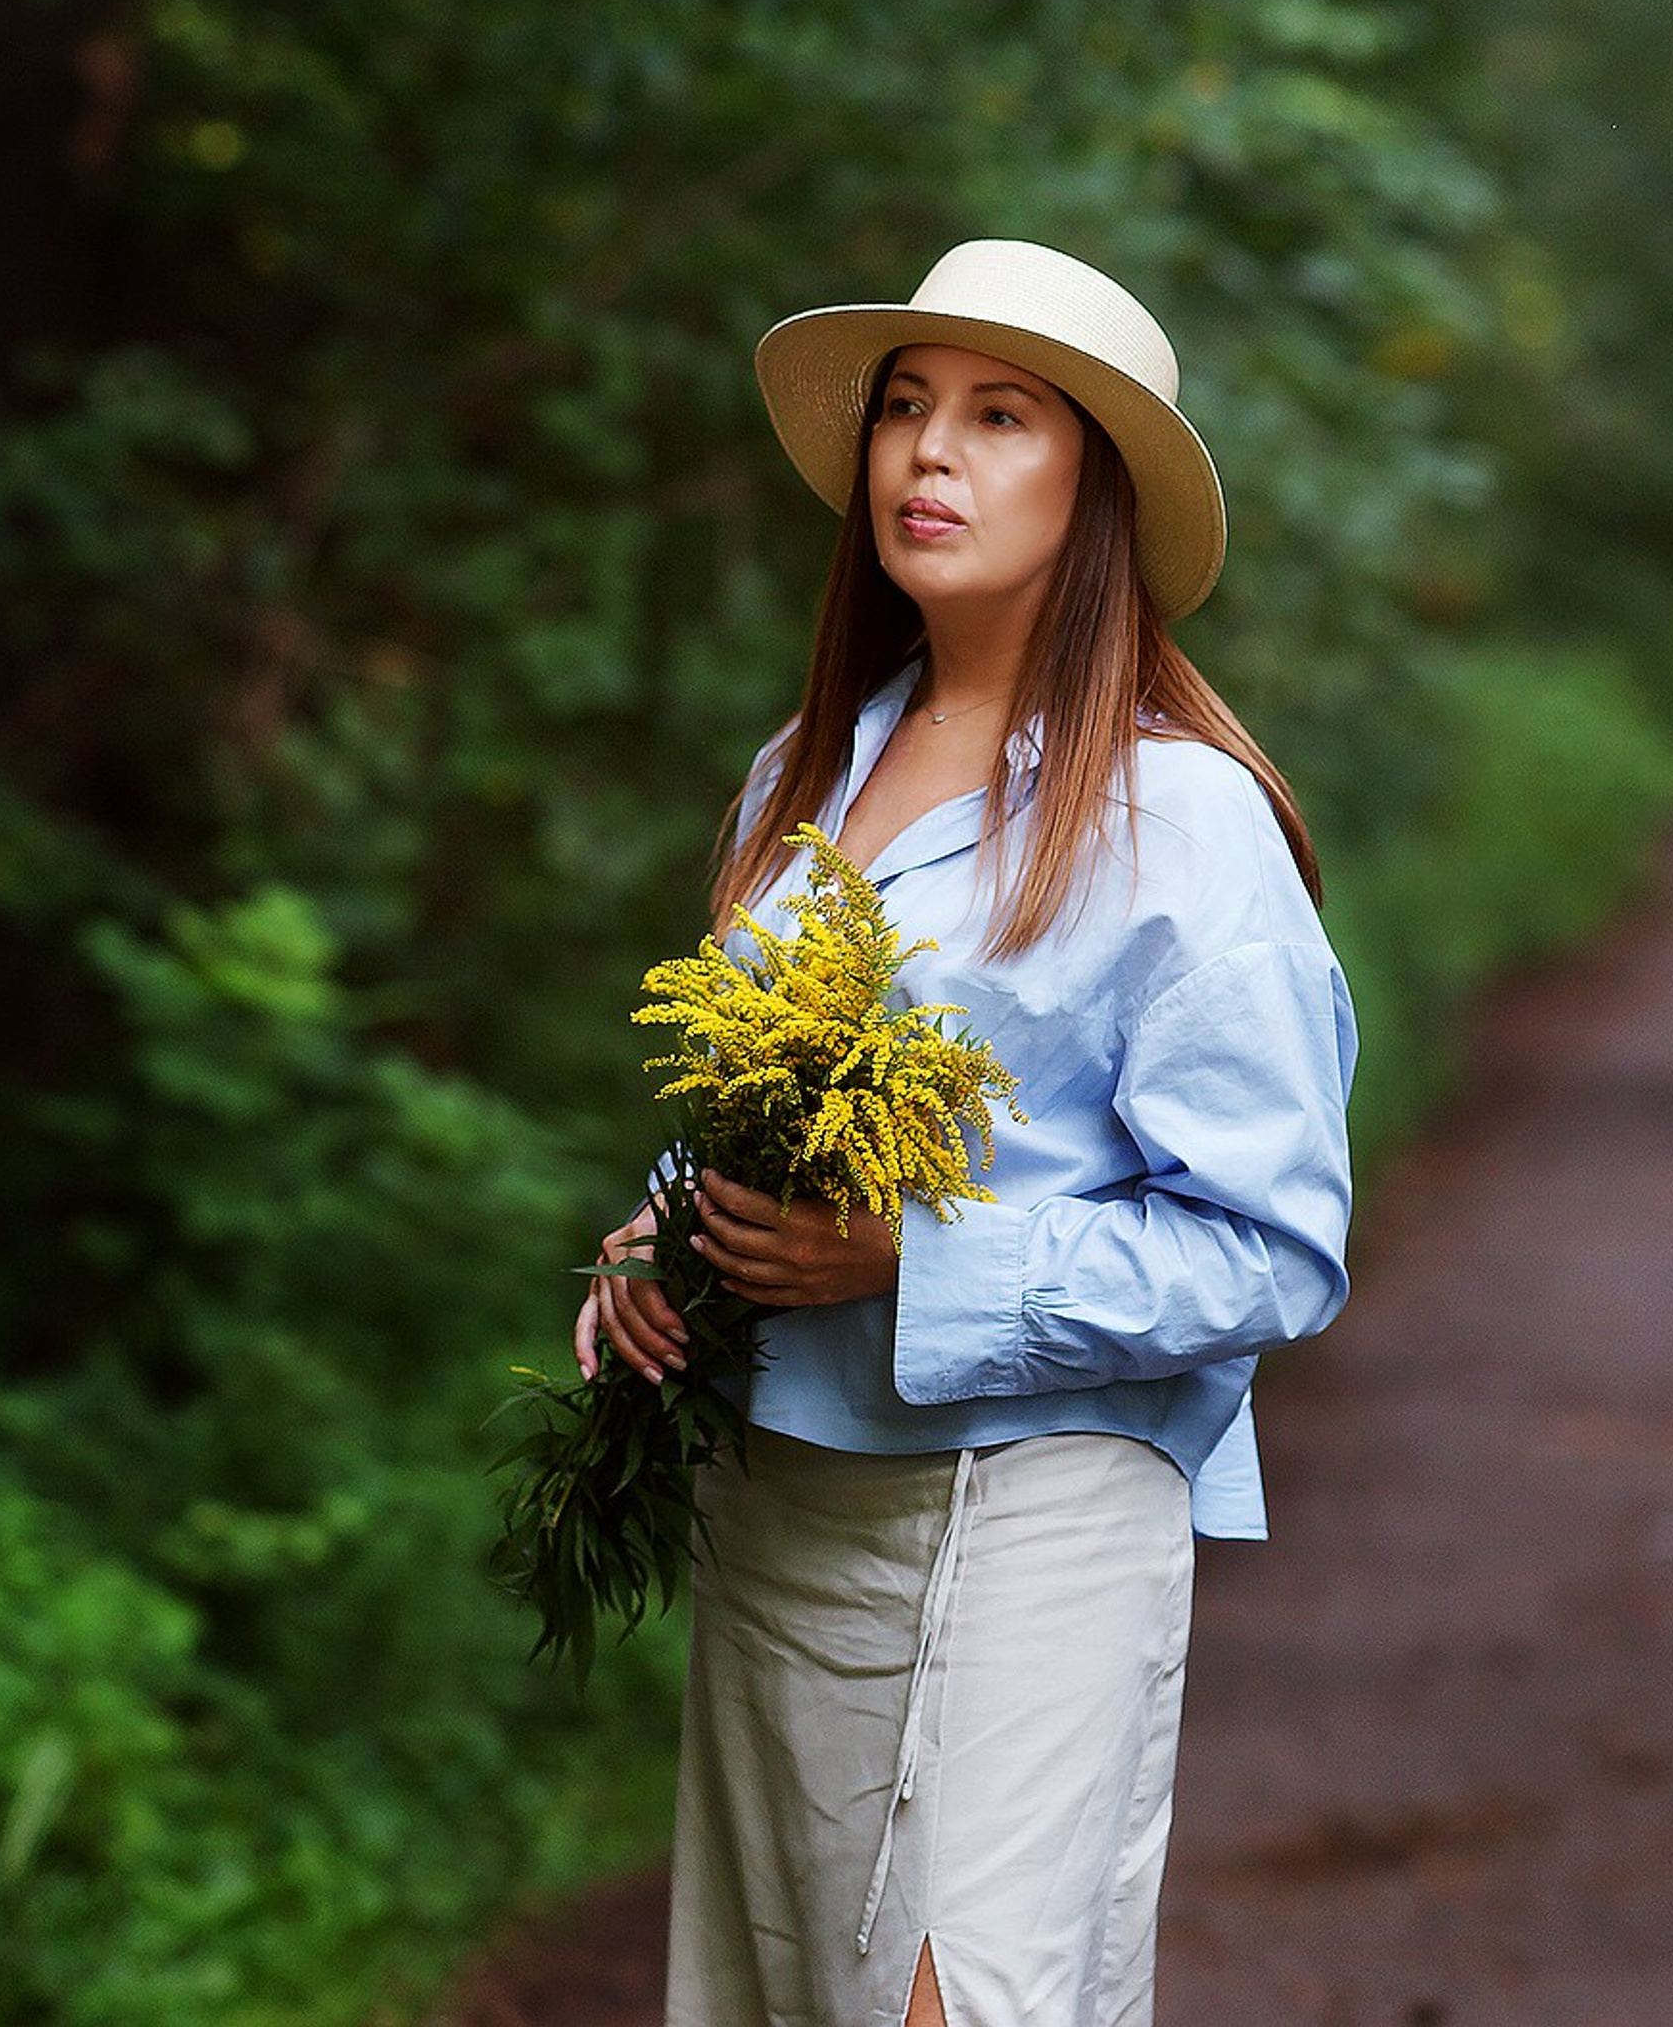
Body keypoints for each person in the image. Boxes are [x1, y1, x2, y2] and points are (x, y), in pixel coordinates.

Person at [574, 238, 1356, 2027]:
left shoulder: (1184, 818)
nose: (930, 453)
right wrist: (665, 1242)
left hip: (1043, 1506)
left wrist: (911, 1260)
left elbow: (1273, 1249)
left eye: (1001, 417)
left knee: (965, 2005)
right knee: (788, 1998)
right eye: (907, 410)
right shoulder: (800, 779)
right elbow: (767, 1109)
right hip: (781, 1503)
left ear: (1097, 493)